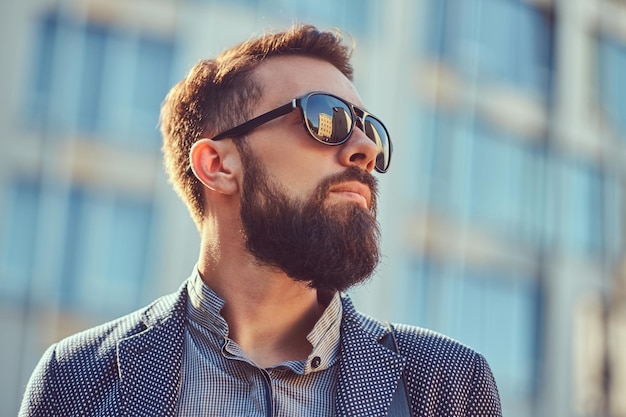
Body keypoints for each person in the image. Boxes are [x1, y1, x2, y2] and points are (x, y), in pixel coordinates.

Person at [19, 24, 502, 416]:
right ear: (218, 165)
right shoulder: (76, 379)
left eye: (368, 127)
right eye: (325, 118)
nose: (366, 150)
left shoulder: (446, 383)